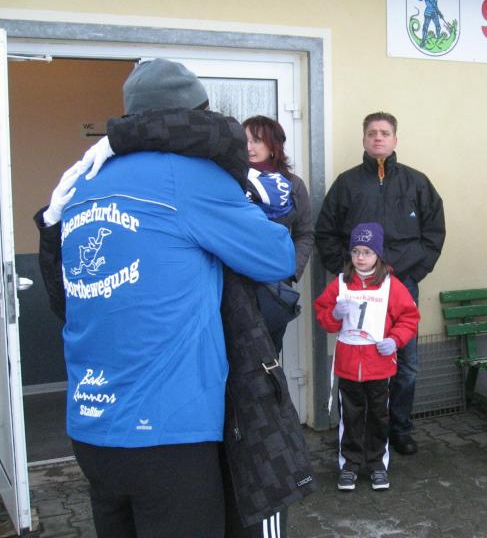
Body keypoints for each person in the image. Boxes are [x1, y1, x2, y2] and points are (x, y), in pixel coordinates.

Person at [35, 59, 314, 537]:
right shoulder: (188, 177)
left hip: (91, 424)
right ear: (196, 115)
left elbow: (63, 299)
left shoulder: (83, 181)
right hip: (167, 431)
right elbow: (277, 258)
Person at [315, 111, 445, 456]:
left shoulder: (416, 183)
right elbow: (326, 232)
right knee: (357, 362)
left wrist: (414, 273)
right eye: (372, 132)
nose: (378, 138)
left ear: (395, 140)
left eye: (384, 133)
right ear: (363, 139)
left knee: (405, 362)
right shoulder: (347, 184)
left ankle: (398, 429)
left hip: (401, 289)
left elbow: (434, 232)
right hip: (358, 291)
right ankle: (357, 435)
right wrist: (346, 274)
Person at [314, 223, 419, 491]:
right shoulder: (341, 284)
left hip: (379, 366)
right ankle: (349, 465)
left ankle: (376, 464)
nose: (360, 258)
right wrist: (334, 314)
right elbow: (324, 316)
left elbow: (409, 317)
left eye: (367, 252)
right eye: (356, 251)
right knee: (350, 416)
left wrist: (395, 340)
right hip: (348, 365)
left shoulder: (391, 285)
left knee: (378, 417)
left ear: (378, 255)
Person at [243, 115, 314, 354]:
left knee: (269, 353)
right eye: (244, 141)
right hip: (236, 281)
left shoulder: (293, 185)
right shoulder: (232, 181)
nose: (249, 147)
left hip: (275, 284)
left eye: (256, 140)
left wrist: (291, 269)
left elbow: (305, 233)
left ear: (273, 146)